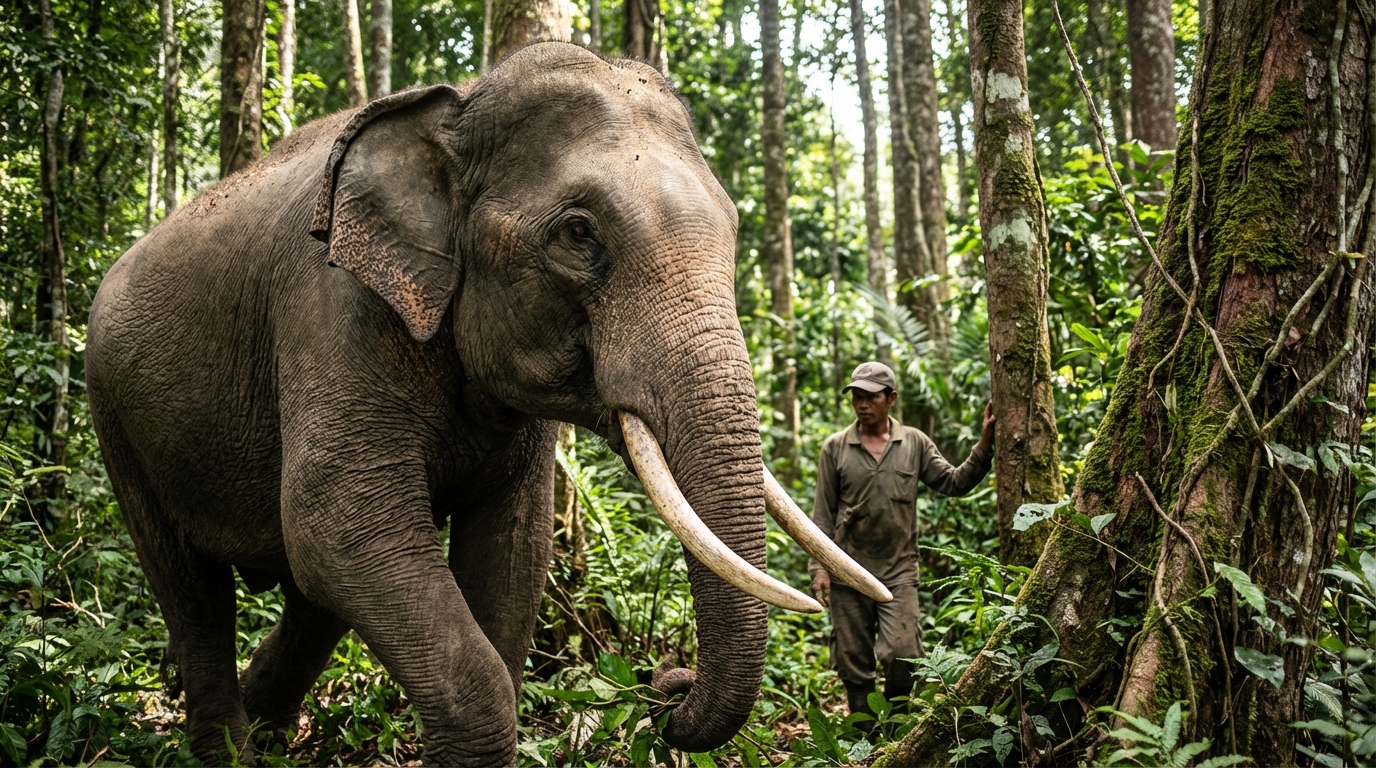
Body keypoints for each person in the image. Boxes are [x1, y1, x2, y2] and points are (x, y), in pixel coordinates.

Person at [809, 361, 995, 723]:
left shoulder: (914, 443)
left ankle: (896, 724)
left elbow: (954, 483)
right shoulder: (835, 448)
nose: (862, 404)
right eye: (857, 397)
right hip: (847, 570)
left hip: (898, 571)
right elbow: (822, 516)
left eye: (871, 397)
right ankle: (863, 734)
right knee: (854, 662)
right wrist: (820, 568)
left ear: (891, 398)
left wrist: (984, 443)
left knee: (903, 652)